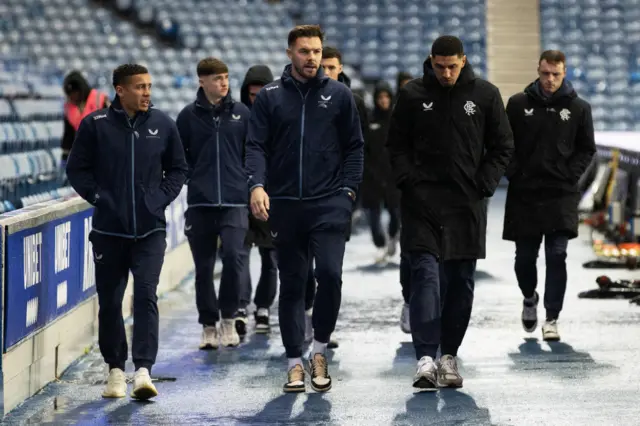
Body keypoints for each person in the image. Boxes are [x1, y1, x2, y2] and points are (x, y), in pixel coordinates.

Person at [386, 36, 514, 391]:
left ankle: (449, 356)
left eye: (452, 67)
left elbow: (503, 145)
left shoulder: (486, 95)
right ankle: (425, 357)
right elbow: (395, 145)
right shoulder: (412, 95)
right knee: (425, 276)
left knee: (460, 283)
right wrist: (409, 181)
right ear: (431, 61)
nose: (446, 73)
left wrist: (485, 183)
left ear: (464, 60)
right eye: (440, 66)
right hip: (421, 203)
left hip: (466, 204)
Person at [245, 25, 364, 393]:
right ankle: (294, 361)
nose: (311, 57)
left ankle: (319, 349)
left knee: (329, 275)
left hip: (329, 204)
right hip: (285, 206)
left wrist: (347, 193)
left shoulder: (341, 96)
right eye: (304, 51)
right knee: (293, 284)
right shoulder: (270, 97)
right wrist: (257, 185)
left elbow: (355, 148)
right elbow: (256, 147)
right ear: (289, 53)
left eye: (316, 51)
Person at [66, 64, 188, 400]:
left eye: (149, 86)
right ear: (120, 90)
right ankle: (116, 371)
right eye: (139, 87)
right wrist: (100, 197)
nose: (147, 93)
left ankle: (143, 370)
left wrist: (158, 199)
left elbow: (178, 169)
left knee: (147, 296)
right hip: (109, 231)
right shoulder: (95, 125)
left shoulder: (163, 124)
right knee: (110, 302)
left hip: (150, 231)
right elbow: (77, 168)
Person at [503, 50, 596, 342]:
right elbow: (504, 144)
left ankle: (552, 317)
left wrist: (570, 175)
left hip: (561, 193)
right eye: (545, 73)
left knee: (557, 256)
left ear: (564, 72)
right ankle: (529, 297)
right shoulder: (518, 104)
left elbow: (587, 149)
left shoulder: (580, 108)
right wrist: (515, 173)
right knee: (524, 259)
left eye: (556, 74)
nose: (550, 80)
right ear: (538, 70)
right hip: (525, 193)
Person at [236, 64, 318, 337]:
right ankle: (240, 306)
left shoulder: (279, 116)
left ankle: (262, 308)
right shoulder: (238, 118)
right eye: (251, 94)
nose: (255, 99)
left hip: (274, 196)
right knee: (240, 255)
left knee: (271, 257)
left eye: (260, 94)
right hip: (243, 195)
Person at [176, 57, 251, 349]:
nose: (224, 83)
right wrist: (194, 179)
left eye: (226, 77)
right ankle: (208, 324)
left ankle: (229, 317)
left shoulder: (242, 114)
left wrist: (246, 181)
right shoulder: (186, 117)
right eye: (217, 78)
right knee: (204, 268)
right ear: (202, 81)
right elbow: (178, 158)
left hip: (235, 201)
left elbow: (253, 152)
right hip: (201, 204)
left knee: (234, 258)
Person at [361, 81, 401, 264]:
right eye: (380, 97)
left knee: (395, 214)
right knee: (373, 217)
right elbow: (364, 149)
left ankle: (392, 239)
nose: (383, 100)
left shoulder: (398, 119)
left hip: (393, 177)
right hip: (372, 178)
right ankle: (380, 243)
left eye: (387, 97)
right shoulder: (369, 120)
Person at [61, 71, 109, 167]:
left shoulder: (99, 100)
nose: (73, 96)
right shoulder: (69, 107)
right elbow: (69, 134)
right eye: (70, 94)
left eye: (75, 93)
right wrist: (65, 156)